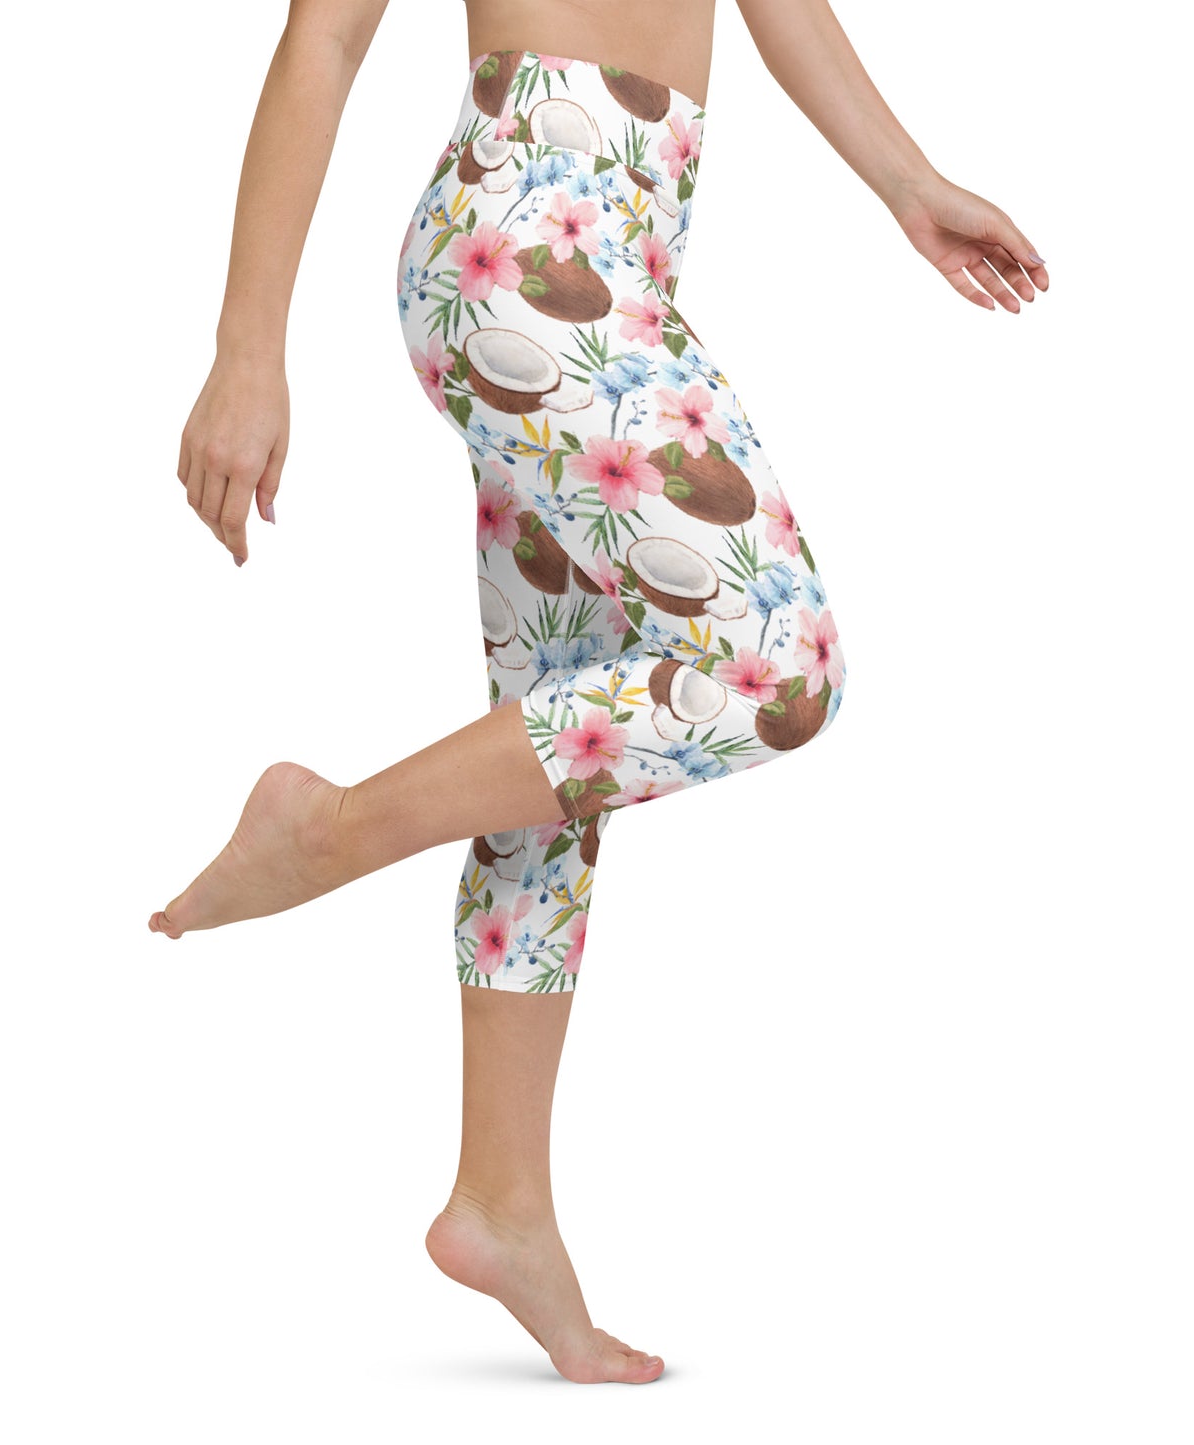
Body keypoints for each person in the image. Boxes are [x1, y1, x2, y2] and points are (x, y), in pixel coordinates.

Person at [149, 0, 1048, 1384]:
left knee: (563, 728)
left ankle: (500, 1199)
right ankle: (328, 831)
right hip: (528, 244)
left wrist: (907, 182)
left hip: (619, 238)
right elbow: (323, 38)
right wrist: (246, 347)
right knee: (776, 665)